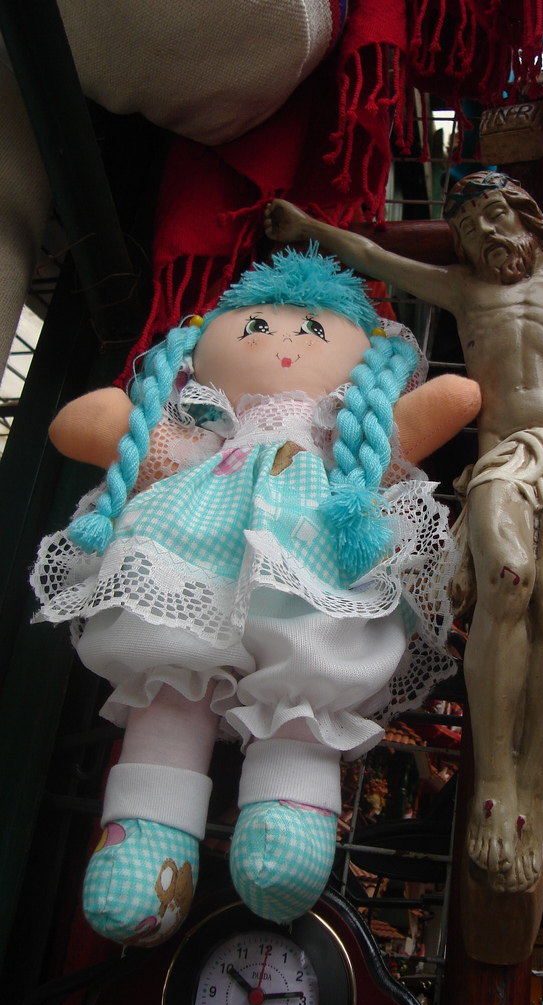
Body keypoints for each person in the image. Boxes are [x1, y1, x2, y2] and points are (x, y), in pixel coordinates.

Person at [265, 172, 543, 893]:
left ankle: (535, 786)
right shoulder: (463, 291)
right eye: (469, 228)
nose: (487, 234)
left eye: (497, 216)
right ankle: (495, 783)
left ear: (528, 218)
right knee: (507, 577)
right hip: (501, 456)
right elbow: (373, 256)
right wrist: (306, 227)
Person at [31, 245, 480, 944]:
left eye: (313, 331)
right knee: (170, 681)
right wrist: (122, 428)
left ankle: (286, 821)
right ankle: (147, 843)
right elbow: (113, 436)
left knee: (308, 674)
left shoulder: (347, 443)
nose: (284, 343)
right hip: (190, 561)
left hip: (308, 561)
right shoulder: (209, 430)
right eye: (258, 328)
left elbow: (437, 413)